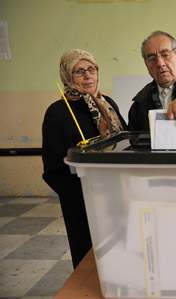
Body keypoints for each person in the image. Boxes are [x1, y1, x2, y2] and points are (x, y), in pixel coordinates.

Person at [42, 49, 127, 268]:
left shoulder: (107, 103)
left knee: (122, 255)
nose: (88, 75)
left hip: (119, 195)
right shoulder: (58, 113)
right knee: (91, 262)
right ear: (67, 76)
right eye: (80, 71)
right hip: (83, 204)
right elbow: (54, 170)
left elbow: (127, 142)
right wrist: (90, 201)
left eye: (92, 69)